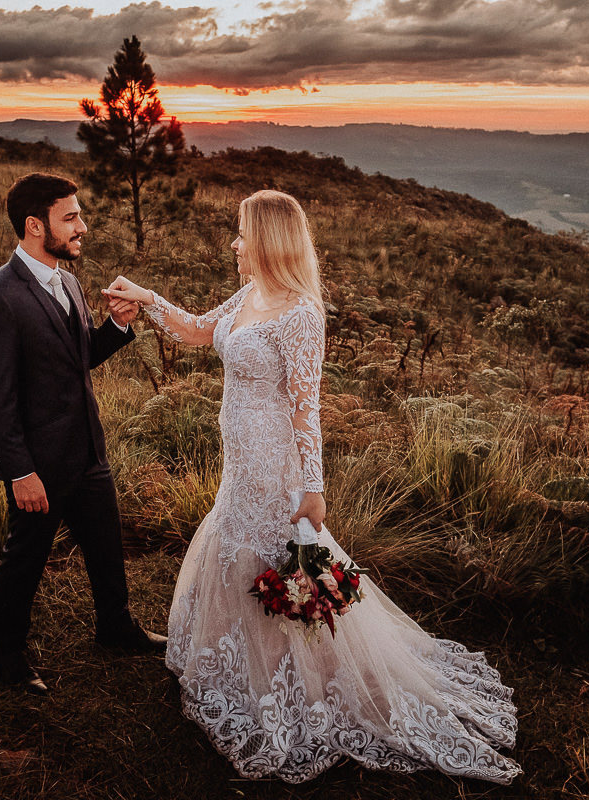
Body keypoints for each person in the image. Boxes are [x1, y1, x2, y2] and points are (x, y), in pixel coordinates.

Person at [103, 190, 521, 783]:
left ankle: (291, 684)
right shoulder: (250, 294)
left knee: (283, 566)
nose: (234, 243)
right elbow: (197, 332)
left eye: (242, 233)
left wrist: (313, 488)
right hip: (239, 464)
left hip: (275, 468)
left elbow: (307, 407)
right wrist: (146, 300)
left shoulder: (300, 313)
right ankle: (243, 669)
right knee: (239, 551)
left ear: (269, 240)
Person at [0, 172, 166, 696]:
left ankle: (115, 627)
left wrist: (117, 328)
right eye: (70, 217)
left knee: (105, 546)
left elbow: (77, 361)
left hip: (87, 449)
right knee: (26, 559)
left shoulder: (70, 282)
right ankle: (8, 657)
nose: (83, 226)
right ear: (36, 226)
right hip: (38, 463)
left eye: (79, 215)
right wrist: (21, 471)